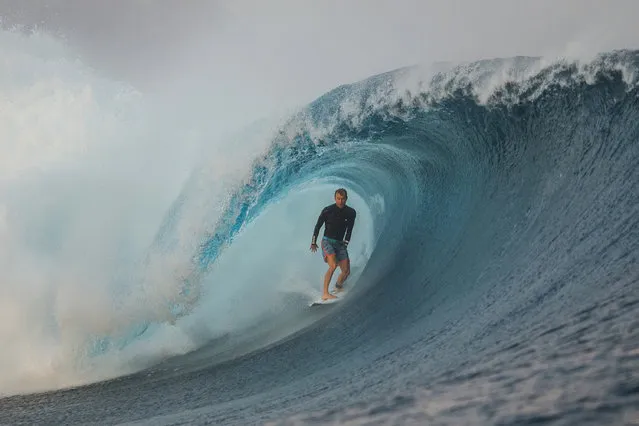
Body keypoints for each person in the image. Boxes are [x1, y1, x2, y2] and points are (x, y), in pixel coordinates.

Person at [310, 188, 357, 300]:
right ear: (335, 198)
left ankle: (338, 286)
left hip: (340, 244)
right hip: (327, 241)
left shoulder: (351, 212)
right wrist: (313, 242)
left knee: (346, 271)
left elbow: (349, 229)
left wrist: (345, 244)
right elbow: (318, 226)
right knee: (333, 265)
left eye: (342, 199)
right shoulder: (327, 210)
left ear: (346, 199)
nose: (340, 201)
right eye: (338, 198)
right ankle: (325, 294)